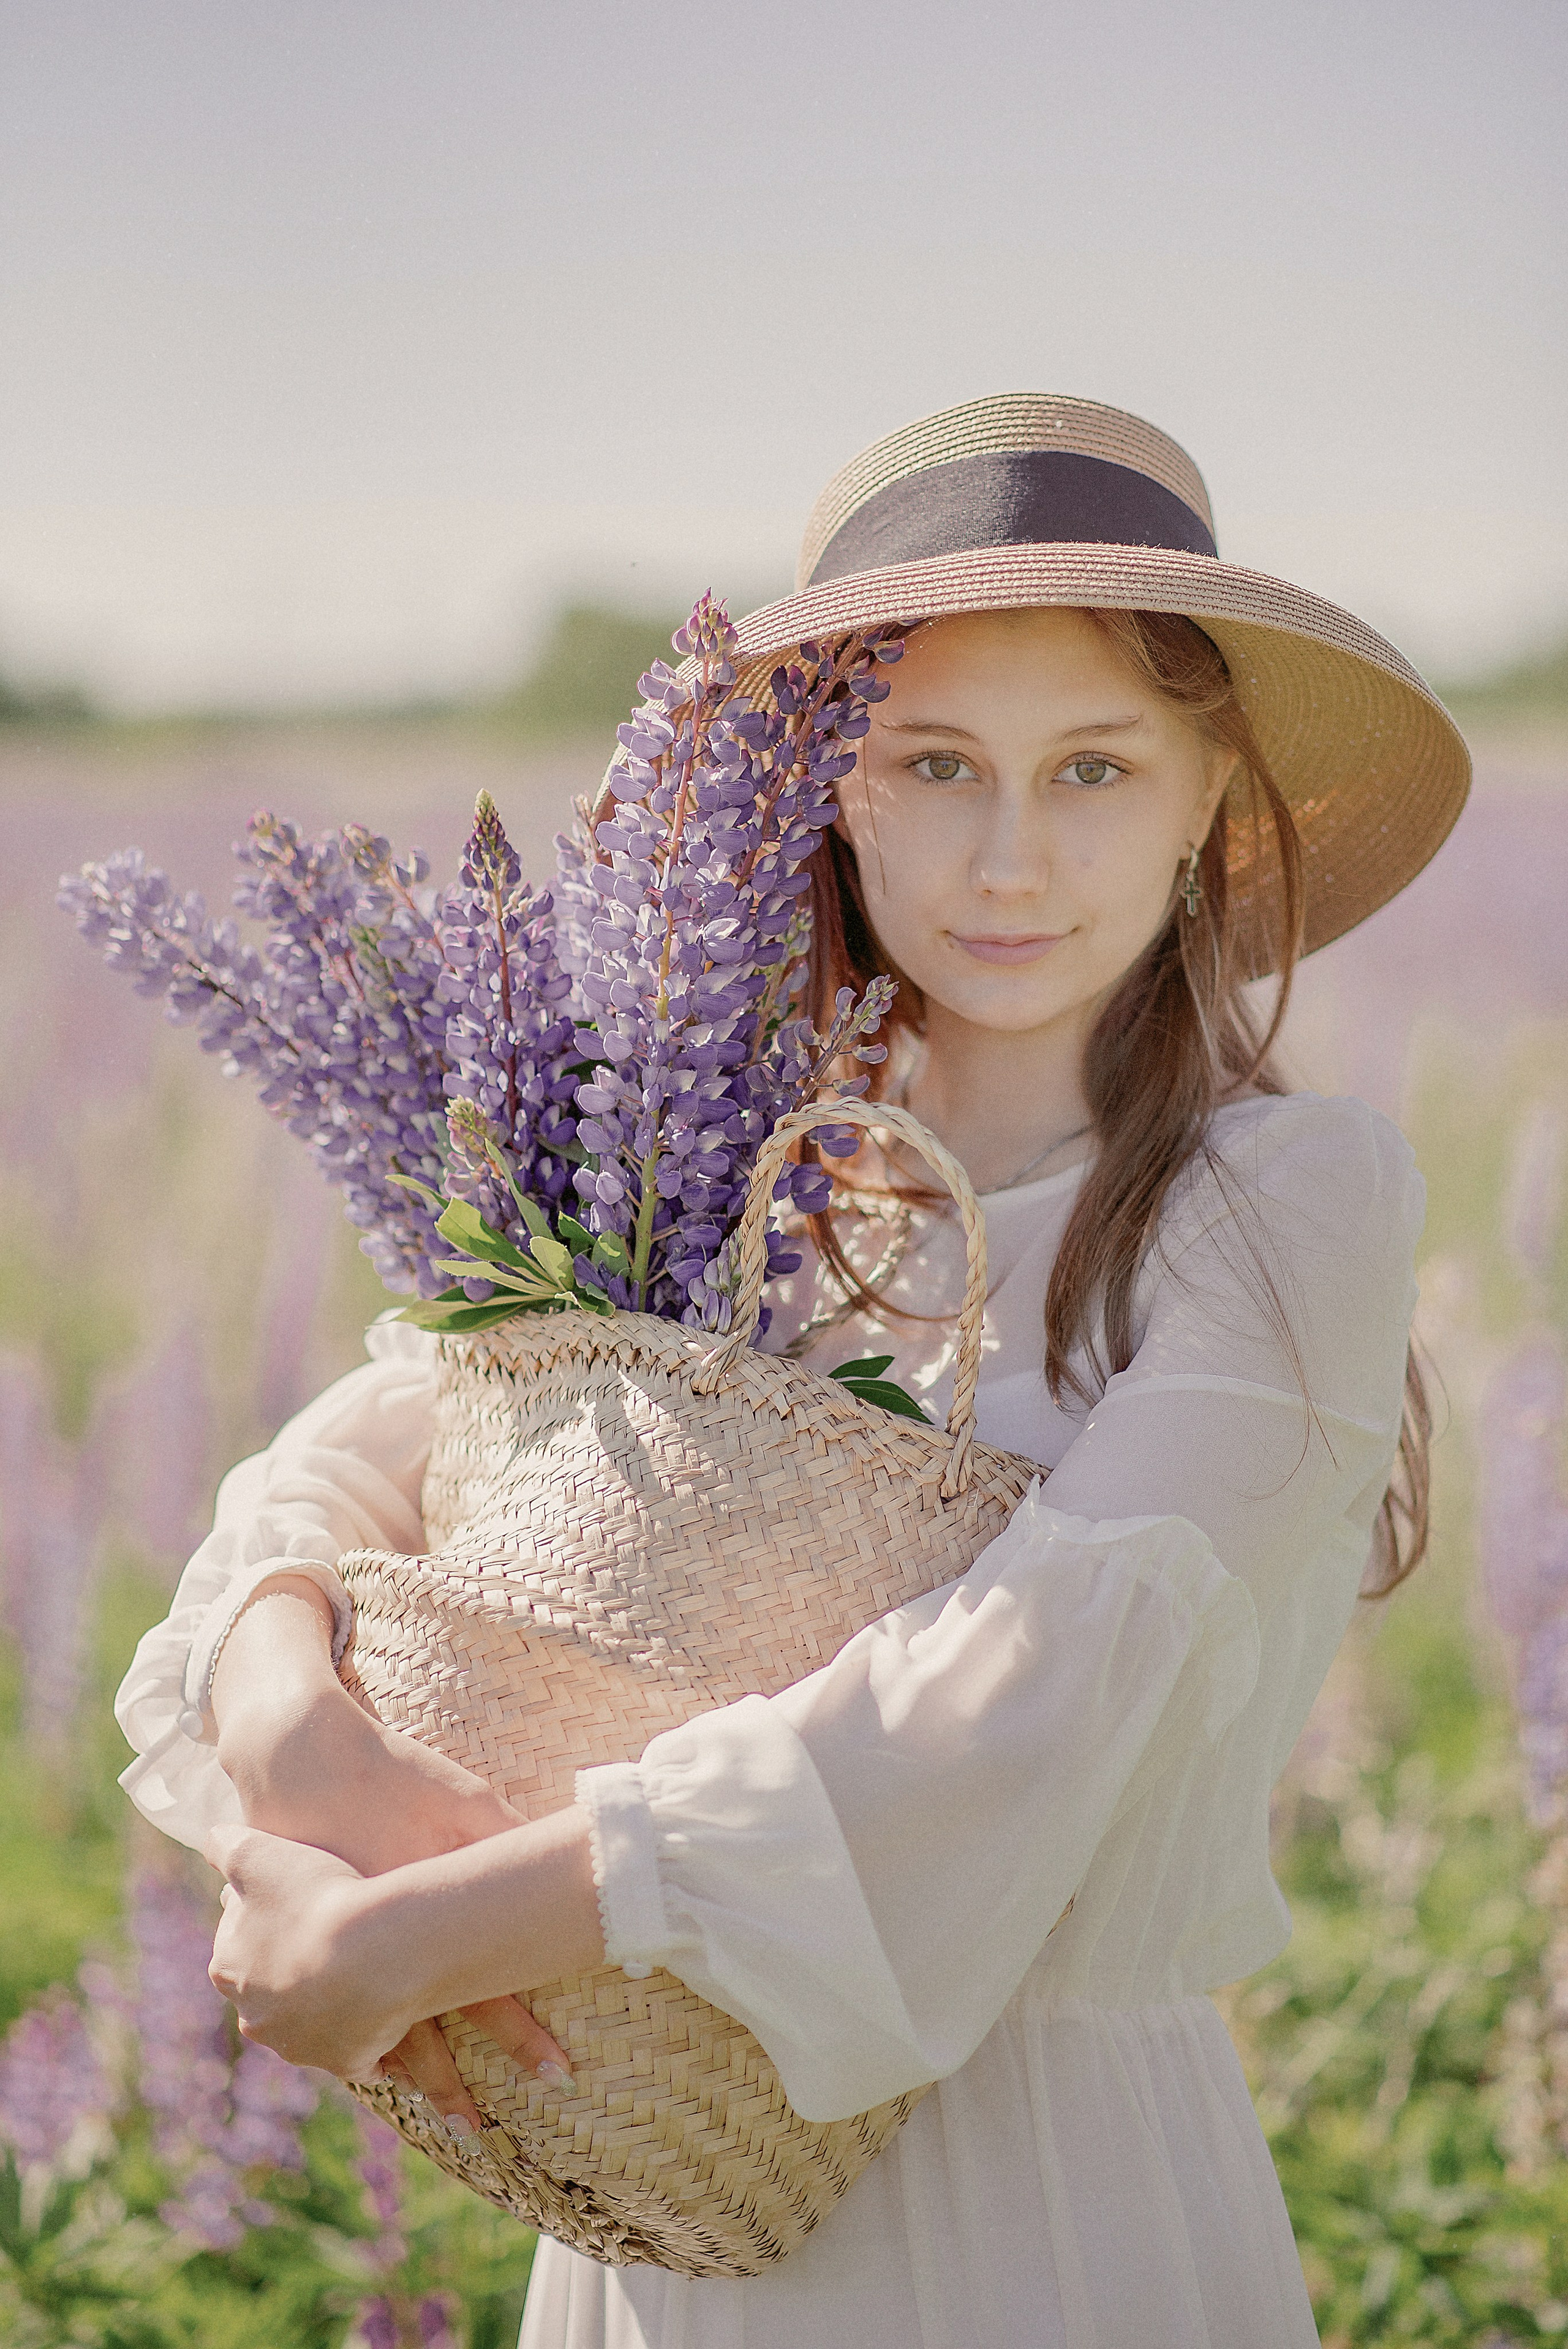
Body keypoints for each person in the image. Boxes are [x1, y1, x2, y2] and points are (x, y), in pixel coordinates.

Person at [116, 393, 1471, 2348]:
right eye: (936, 762)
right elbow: (356, 1454)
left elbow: (1014, 1700)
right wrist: (283, 1720)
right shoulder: (737, 1175)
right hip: (658, 2194)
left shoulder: (1280, 1200)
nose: (1012, 856)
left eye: (1094, 767)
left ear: (1208, 804)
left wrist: (420, 1926)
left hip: (1052, 2206)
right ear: (832, 793)